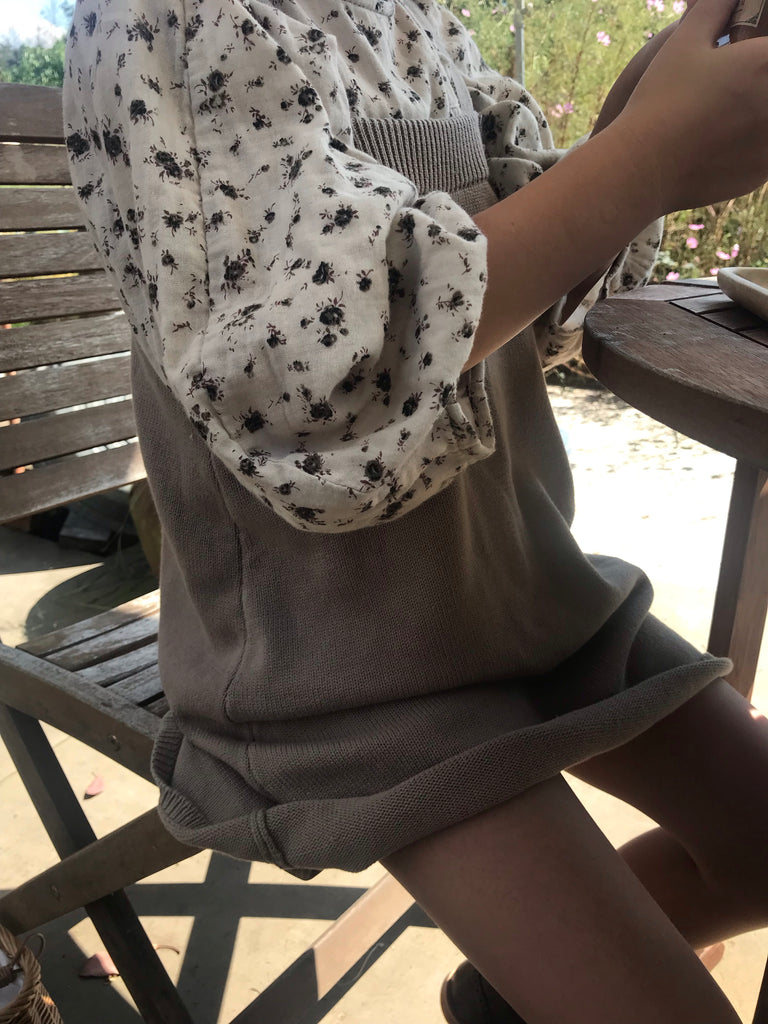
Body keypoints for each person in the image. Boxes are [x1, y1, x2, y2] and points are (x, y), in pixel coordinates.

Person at [63, 0, 768, 1019]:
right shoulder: (167, 18)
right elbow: (296, 394)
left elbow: (528, 299)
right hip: (335, 678)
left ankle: (507, 1002)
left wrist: (651, 117)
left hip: (527, 605)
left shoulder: (412, 18)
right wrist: (652, 157)